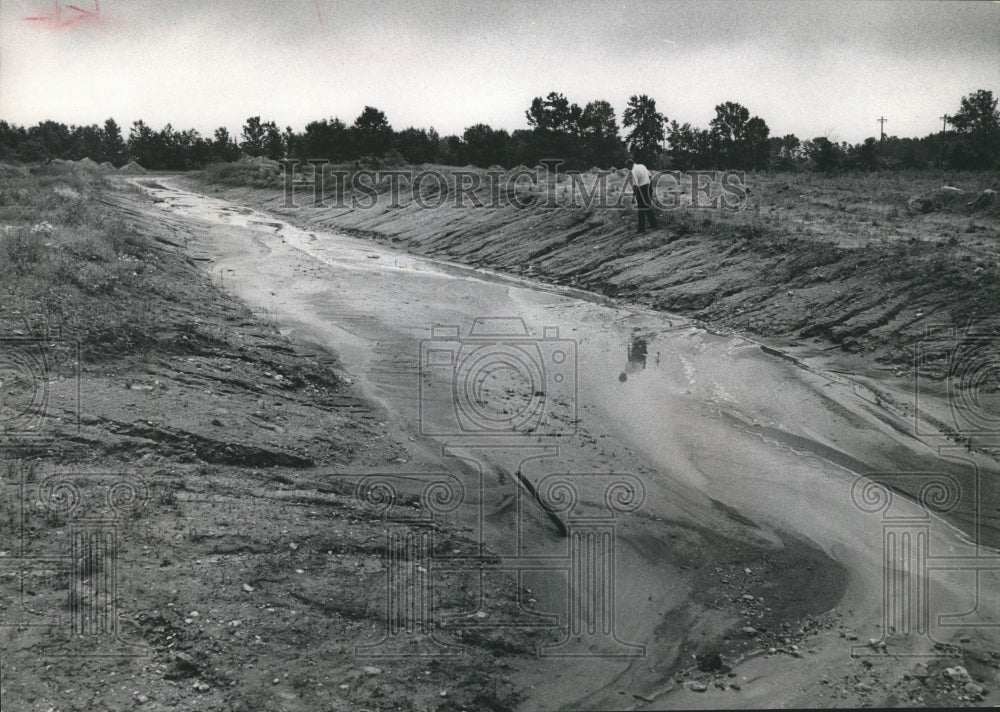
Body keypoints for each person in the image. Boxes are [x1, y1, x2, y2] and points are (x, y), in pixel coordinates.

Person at [625, 158, 657, 233]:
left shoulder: (633, 171)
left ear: (630, 164)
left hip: (641, 189)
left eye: (627, 167)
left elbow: (635, 186)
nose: (627, 168)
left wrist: (633, 196)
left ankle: (641, 229)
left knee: (641, 209)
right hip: (648, 187)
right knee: (647, 206)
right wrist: (650, 187)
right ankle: (653, 224)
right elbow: (650, 176)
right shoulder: (642, 166)